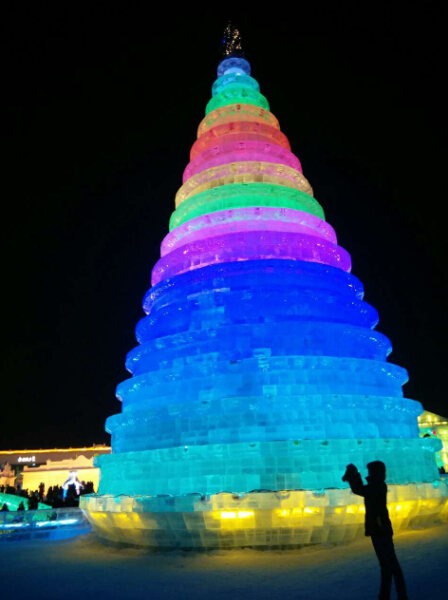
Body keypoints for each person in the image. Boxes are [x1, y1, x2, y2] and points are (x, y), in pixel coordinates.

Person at [342, 461, 408, 600]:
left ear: (376, 472)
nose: (369, 474)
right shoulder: (377, 485)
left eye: (370, 471)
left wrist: (354, 475)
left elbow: (360, 490)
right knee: (386, 565)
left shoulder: (377, 486)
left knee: (391, 564)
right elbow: (361, 489)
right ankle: (385, 595)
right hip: (378, 529)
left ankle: (400, 595)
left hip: (380, 529)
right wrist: (354, 475)